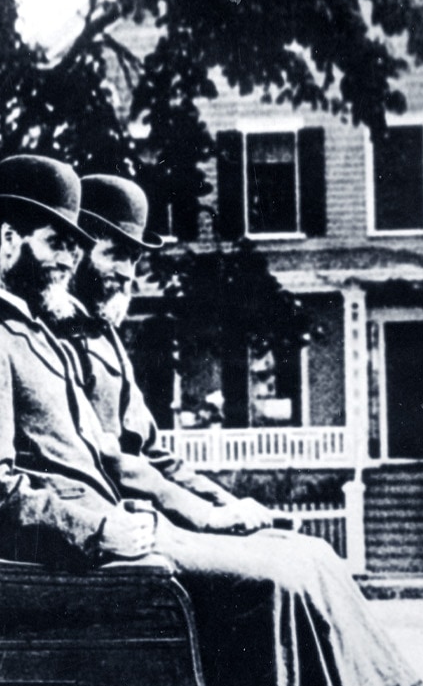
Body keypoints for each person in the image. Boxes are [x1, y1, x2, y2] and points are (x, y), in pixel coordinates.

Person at [0, 154, 423, 686]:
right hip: (79, 565)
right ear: (9, 239)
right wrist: (105, 529)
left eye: (75, 243)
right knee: (269, 584)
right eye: (57, 243)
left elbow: (108, 452)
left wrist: (208, 508)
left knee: (305, 560)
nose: (69, 258)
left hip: (114, 546)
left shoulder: (38, 341)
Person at [59, 173, 273, 534]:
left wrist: (227, 504)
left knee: (303, 553)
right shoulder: (55, 339)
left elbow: (156, 454)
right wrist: (204, 516)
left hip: (146, 517)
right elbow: (107, 458)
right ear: (75, 253)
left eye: (134, 259)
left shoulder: (106, 336)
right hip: (112, 530)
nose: (127, 274)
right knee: (277, 575)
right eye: (114, 254)